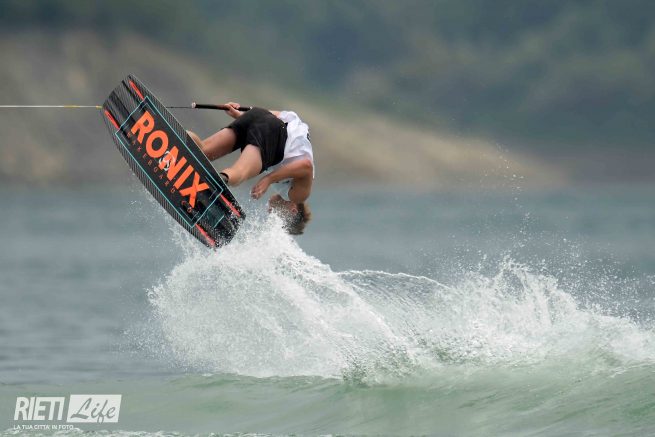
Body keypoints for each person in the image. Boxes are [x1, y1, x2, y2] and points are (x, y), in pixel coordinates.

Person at [187, 102, 314, 235]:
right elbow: (306, 166)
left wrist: (241, 116)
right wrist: (268, 179)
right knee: (238, 173)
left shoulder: (301, 139)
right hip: (272, 132)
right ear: (293, 211)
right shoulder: (298, 196)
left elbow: (270, 116)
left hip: (258, 115)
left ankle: (179, 135)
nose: (271, 213)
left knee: (201, 151)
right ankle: (210, 186)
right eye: (278, 219)